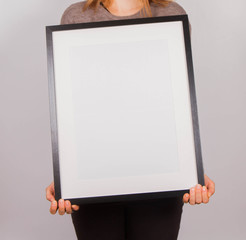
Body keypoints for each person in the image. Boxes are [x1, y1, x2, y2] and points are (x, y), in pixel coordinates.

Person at [46, 1, 215, 239]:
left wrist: (191, 169)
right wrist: (65, 173)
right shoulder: (76, 16)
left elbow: (173, 96)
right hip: (95, 173)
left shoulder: (172, 14)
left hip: (159, 173)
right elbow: (75, 102)